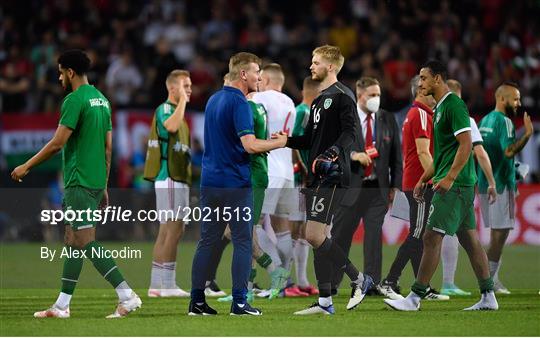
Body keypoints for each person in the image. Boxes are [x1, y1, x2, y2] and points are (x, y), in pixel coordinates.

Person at [11, 49, 141, 318]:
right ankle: (61, 306)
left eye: (60, 72)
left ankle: (127, 295)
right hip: (93, 182)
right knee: (72, 240)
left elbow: (58, 143)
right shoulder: (102, 101)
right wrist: (104, 185)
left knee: (84, 240)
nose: (59, 78)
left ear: (70, 72)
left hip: (78, 181)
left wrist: (27, 165)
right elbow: (108, 148)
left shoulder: (74, 100)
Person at [384, 60, 498, 311]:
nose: (419, 83)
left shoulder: (454, 106)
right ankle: (488, 295)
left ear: (437, 79)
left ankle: (414, 298)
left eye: (423, 78)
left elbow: (466, 144)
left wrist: (449, 177)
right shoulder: (438, 111)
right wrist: (425, 177)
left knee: (431, 236)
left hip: (455, 185)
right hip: (457, 182)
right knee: (469, 240)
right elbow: (444, 154)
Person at [188, 52, 287, 316]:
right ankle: (240, 303)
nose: (259, 77)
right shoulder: (241, 103)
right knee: (243, 241)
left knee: (206, 242)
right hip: (235, 184)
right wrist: (280, 142)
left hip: (210, 183)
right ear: (243, 74)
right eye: (256, 71)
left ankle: (197, 303)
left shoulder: (212, 100)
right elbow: (250, 145)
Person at [285, 45, 372, 315]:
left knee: (313, 234)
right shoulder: (320, 99)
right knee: (318, 237)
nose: (311, 66)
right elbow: (310, 139)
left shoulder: (343, 96)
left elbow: (350, 132)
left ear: (331, 66)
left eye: (316, 62)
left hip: (333, 175)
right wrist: (285, 140)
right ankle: (325, 302)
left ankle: (359, 279)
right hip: (316, 175)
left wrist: (333, 152)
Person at [377, 76, 447, 301]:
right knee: (417, 234)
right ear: (421, 90)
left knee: (421, 235)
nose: (436, 96)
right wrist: (436, 179)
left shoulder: (416, 114)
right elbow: (423, 152)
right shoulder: (421, 114)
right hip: (420, 183)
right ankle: (389, 281)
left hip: (416, 181)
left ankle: (421, 286)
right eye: (433, 91)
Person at [330, 76, 402, 294]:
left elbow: (396, 157)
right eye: (372, 95)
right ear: (360, 96)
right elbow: (334, 150)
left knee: (373, 238)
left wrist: (395, 186)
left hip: (377, 190)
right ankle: (331, 284)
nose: (376, 99)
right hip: (350, 189)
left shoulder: (387, 118)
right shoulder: (345, 119)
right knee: (341, 237)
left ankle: (371, 283)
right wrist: (352, 155)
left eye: (378, 95)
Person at [440, 79, 497, 296]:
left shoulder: (438, 116)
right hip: (457, 183)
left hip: (441, 180)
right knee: (440, 234)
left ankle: (437, 286)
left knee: (449, 234)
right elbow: (480, 153)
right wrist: (491, 182)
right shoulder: (464, 118)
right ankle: (435, 287)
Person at [478, 82, 534, 294]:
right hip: (500, 186)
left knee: (496, 235)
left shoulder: (485, 120)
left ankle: (490, 279)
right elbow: (509, 151)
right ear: (502, 99)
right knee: (499, 236)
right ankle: (489, 282)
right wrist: (527, 134)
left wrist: (515, 170)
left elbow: (490, 154)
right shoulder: (505, 122)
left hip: (485, 184)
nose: (518, 103)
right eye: (516, 99)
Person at [143, 69, 192, 298]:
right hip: (169, 177)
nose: (190, 90)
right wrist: (181, 100)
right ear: (173, 88)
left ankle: (156, 284)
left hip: (174, 178)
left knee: (169, 230)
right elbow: (170, 127)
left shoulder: (177, 112)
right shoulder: (166, 109)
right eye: (185, 86)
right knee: (173, 230)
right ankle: (168, 285)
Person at [251, 63, 297, 297]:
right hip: (288, 170)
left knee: (253, 224)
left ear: (266, 80)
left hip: (269, 169)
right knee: (282, 227)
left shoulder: (259, 98)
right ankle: (285, 282)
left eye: (260, 78)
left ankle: (279, 274)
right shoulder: (290, 103)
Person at [288, 76, 321, 296]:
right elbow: (295, 144)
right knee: (294, 228)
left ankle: (301, 280)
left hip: (309, 177)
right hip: (301, 178)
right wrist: (305, 170)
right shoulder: (302, 112)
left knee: (303, 229)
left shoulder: (314, 113)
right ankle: (286, 280)